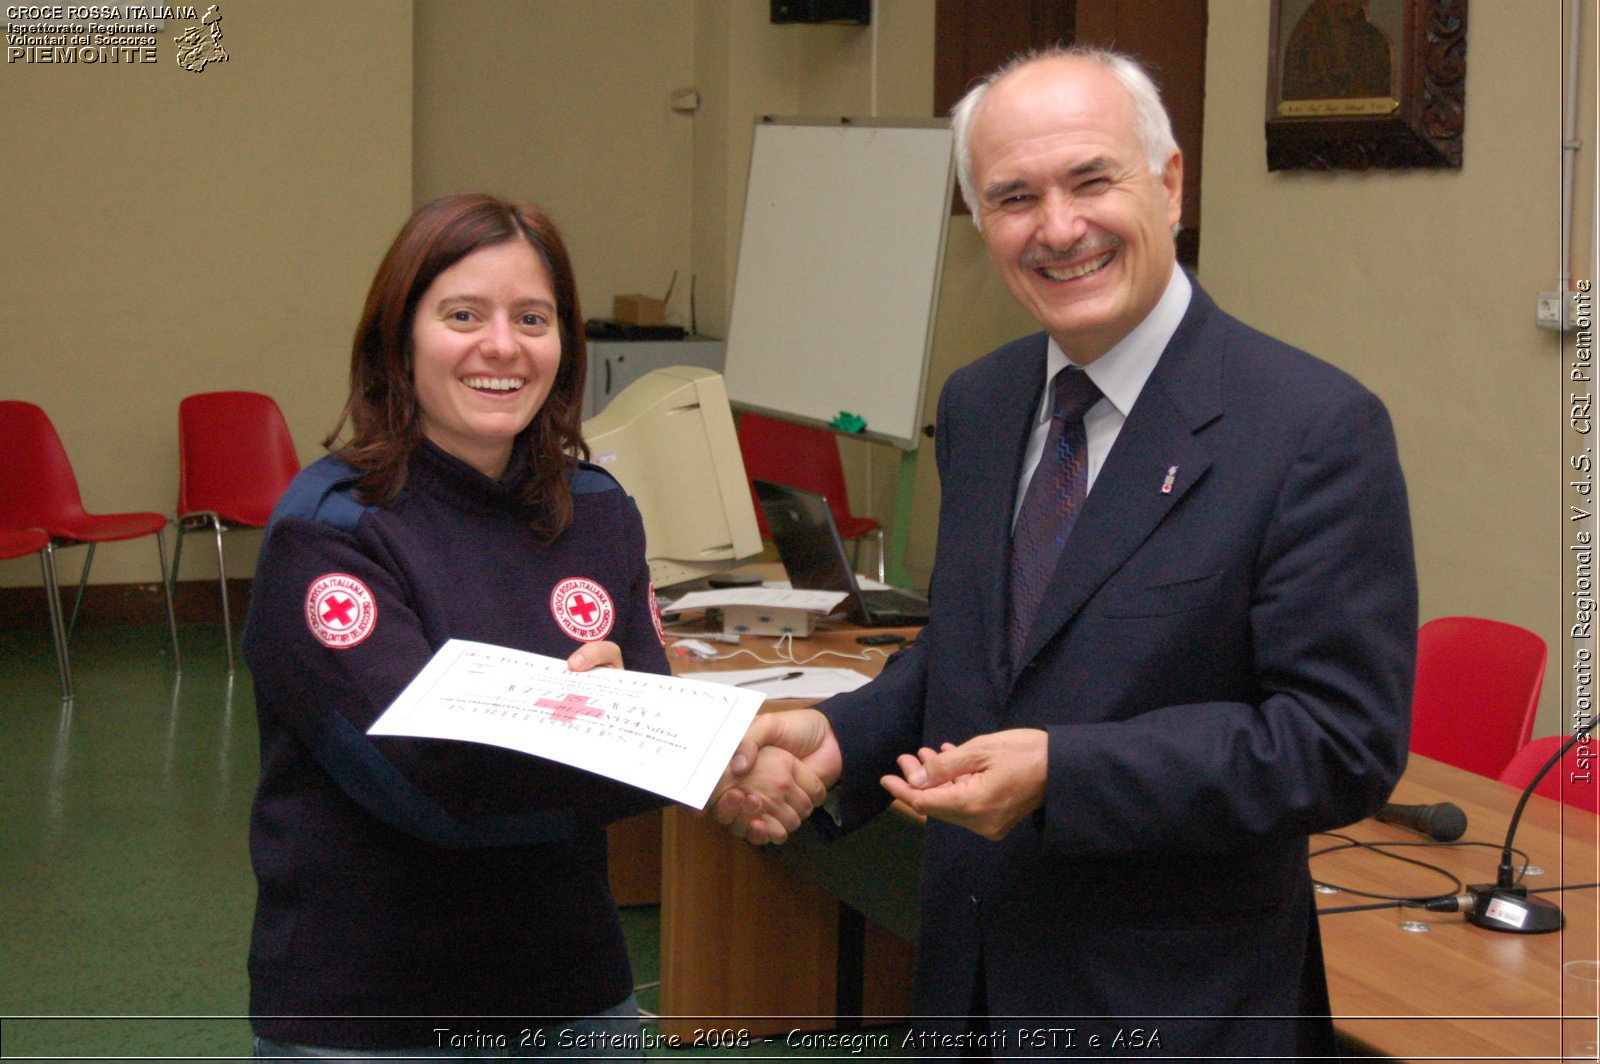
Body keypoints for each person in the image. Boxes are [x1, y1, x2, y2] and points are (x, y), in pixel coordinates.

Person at [712, 46, 1417, 1058]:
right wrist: (844, 739)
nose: (1057, 227)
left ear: (1168, 184)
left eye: (1091, 179)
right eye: (1012, 197)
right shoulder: (981, 403)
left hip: (1175, 1009)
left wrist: (1063, 771)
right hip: (967, 988)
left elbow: (1335, 741)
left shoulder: (1309, 428)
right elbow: (975, 655)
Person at [243, 193, 675, 1058]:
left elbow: (657, 728)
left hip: (577, 996)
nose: (503, 346)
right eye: (463, 314)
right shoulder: (329, 531)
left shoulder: (599, 509)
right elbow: (429, 787)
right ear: (399, 338)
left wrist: (635, 732)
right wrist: (596, 724)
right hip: (371, 1011)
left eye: (534, 317)